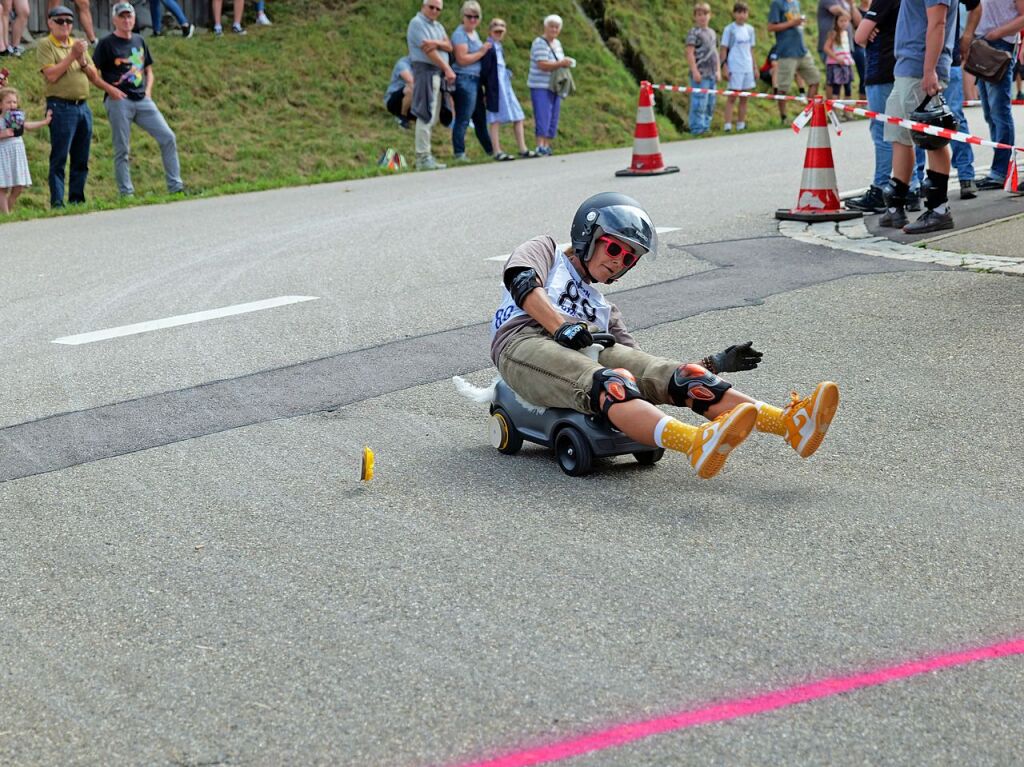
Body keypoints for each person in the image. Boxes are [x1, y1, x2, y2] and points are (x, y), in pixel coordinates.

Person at [491, 192, 840, 480]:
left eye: (629, 258)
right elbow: (521, 280)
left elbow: (646, 376)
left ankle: (790, 424)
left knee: (681, 377)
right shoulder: (547, 250)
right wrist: (560, 326)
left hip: (588, 347)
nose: (619, 262)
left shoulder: (603, 309)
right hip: (524, 342)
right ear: (588, 234)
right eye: (614, 249)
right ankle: (692, 442)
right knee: (608, 382)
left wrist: (711, 364)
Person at [879, 0, 960, 233]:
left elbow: (938, 22)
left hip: (920, 67)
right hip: (907, 66)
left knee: (931, 137)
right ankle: (895, 207)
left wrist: (929, 70)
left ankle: (939, 210)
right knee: (900, 136)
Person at [92, 3, 184, 197]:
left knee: (168, 137)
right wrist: (110, 90)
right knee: (122, 149)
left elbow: (148, 70)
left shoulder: (139, 40)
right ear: (114, 20)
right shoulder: (106, 43)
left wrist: (148, 91)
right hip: (119, 101)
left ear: (134, 19)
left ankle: (176, 187)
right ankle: (126, 193)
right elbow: (92, 73)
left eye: (129, 16)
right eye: (122, 17)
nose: (127, 20)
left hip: (142, 99)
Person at [38, 5, 124, 208]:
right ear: (50, 23)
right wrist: (72, 56)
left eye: (69, 21)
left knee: (81, 156)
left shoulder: (77, 44)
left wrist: (83, 60)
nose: (65, 25)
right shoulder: (46, 45)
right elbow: (51, 75)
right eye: (60, 21)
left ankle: (77, 199)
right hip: (60, 105)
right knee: (59, 156)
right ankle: (57, 202)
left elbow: (94, 76)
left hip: (82, 107)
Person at [847, 0, 927, 212]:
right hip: (904, 67)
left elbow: (859, 36)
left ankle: (881, 187)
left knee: (883, 132)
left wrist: (868, 28)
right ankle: (911, 187)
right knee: (905, 131)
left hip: (881, 68)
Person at [963, 0, 1024, 189]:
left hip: (1001, 44)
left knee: (999, 111)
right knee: (990, 112)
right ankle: (999, 168)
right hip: (982, 42)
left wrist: (997, 33)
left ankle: (1001, 171)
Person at [408, 0, 456, 171]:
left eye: (438, 9)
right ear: (423, 6)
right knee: (425, 113)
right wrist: (447, 68)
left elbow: (449, 46)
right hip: (426, 71)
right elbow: (428, 51)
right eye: (432, 7)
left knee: (434, 114)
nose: (435, 11)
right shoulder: (417, 23)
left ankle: (426, 154)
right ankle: (422, 156)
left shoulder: (438, 26)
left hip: (437, 73)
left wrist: (437, 43)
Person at [485, 18, 538, 160]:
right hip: (495, 87)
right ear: (490, 30)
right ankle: (497, 151)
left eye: (502, 27)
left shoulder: (498, 46)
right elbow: (485, 70)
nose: (499, 30)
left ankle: (523, 148)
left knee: (518, 115)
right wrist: (486, 89)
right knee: (495, 118)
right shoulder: (488, 47)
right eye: (496, 27)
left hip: (505, 86)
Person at [450, 1, 494, 162]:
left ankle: (491, 150)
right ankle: (459, 153)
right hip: (464, 79)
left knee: (480, 119)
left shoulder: (474, 34)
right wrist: (482, 52)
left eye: (476, 17)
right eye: (469, 16)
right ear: (463, 17)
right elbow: (461, 59)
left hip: (476, 80)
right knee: (463, 117)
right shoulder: (460, 34)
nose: (473, 20)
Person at [767, 0, 821, 123]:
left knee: (815, 79)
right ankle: (784, 117)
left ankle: (809, 114)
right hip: (786, 52)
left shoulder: (796, 3)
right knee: (783, 88)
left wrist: (799, 23)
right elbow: (771, 27)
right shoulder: (777, 4)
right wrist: (792, 23)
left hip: (802, 50)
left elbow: (796, 22)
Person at [528, 14, 574, 156]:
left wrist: (565, 63)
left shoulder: (557, 44)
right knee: (543, 115)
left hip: (555, 85)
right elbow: (542, 64)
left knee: (553, 116)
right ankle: (539, 145)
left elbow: (557, 62)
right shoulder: (539, 43)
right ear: (545, 27)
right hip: (541, 85)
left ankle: (547, 144)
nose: (554, 29)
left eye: (556, 27)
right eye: (551, 26)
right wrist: (561, 63)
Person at [0, 87, 52, 213]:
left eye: (14, 102)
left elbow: (27, 125)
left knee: (19, 186)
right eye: (8, 102)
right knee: (2, 186)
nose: (12, 105)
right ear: (1, 105)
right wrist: (3, 134)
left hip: (17, 153)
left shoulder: (17, 117)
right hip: (3, 153)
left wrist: (45, 122)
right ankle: (6, 215)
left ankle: (6, 210)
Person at [721, 1, 758, 131]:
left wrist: (755, 67)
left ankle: (741, 124)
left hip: (747, 66)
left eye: (744, 12)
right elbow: (724, 49)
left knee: (745, 97)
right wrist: (724, 66)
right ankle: (727, 125)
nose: (742, 15)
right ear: (734, 13)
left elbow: (751, 50)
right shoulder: (729, 29)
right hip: (734, 66)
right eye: (739, 12)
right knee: (732, 97)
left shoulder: (750, 29)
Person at [686, 2, 721, 135]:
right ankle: (697, 128)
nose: (703, 17)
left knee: (710, 102)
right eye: (699, 14)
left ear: (710, 16)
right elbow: (689, 52)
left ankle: (706, 126)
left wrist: (718, 70)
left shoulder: (712, 33)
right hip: (700, 73)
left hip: (712, 73)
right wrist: (695, 71)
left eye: (705, 14)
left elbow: (715, 53)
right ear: (695, 17)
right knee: (699, 101)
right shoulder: (694, 32)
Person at [824, 12, 856, 99]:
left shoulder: (846, 33)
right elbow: (826, 48)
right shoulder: (833, 33)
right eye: (841, 21)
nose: (843, 23)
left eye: (845, 21)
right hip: (835, 64)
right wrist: (837, 58)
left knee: (848, 87)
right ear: (836, 22)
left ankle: (847, 111)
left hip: (846, 63)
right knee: (836, 88)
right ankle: (835, 110)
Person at [384, 55, 414, 129]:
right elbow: (410, 80)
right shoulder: (403, 64)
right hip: (394, 101)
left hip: (413, 101)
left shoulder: (423, 66)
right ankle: (402, 117)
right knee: (412, 87)